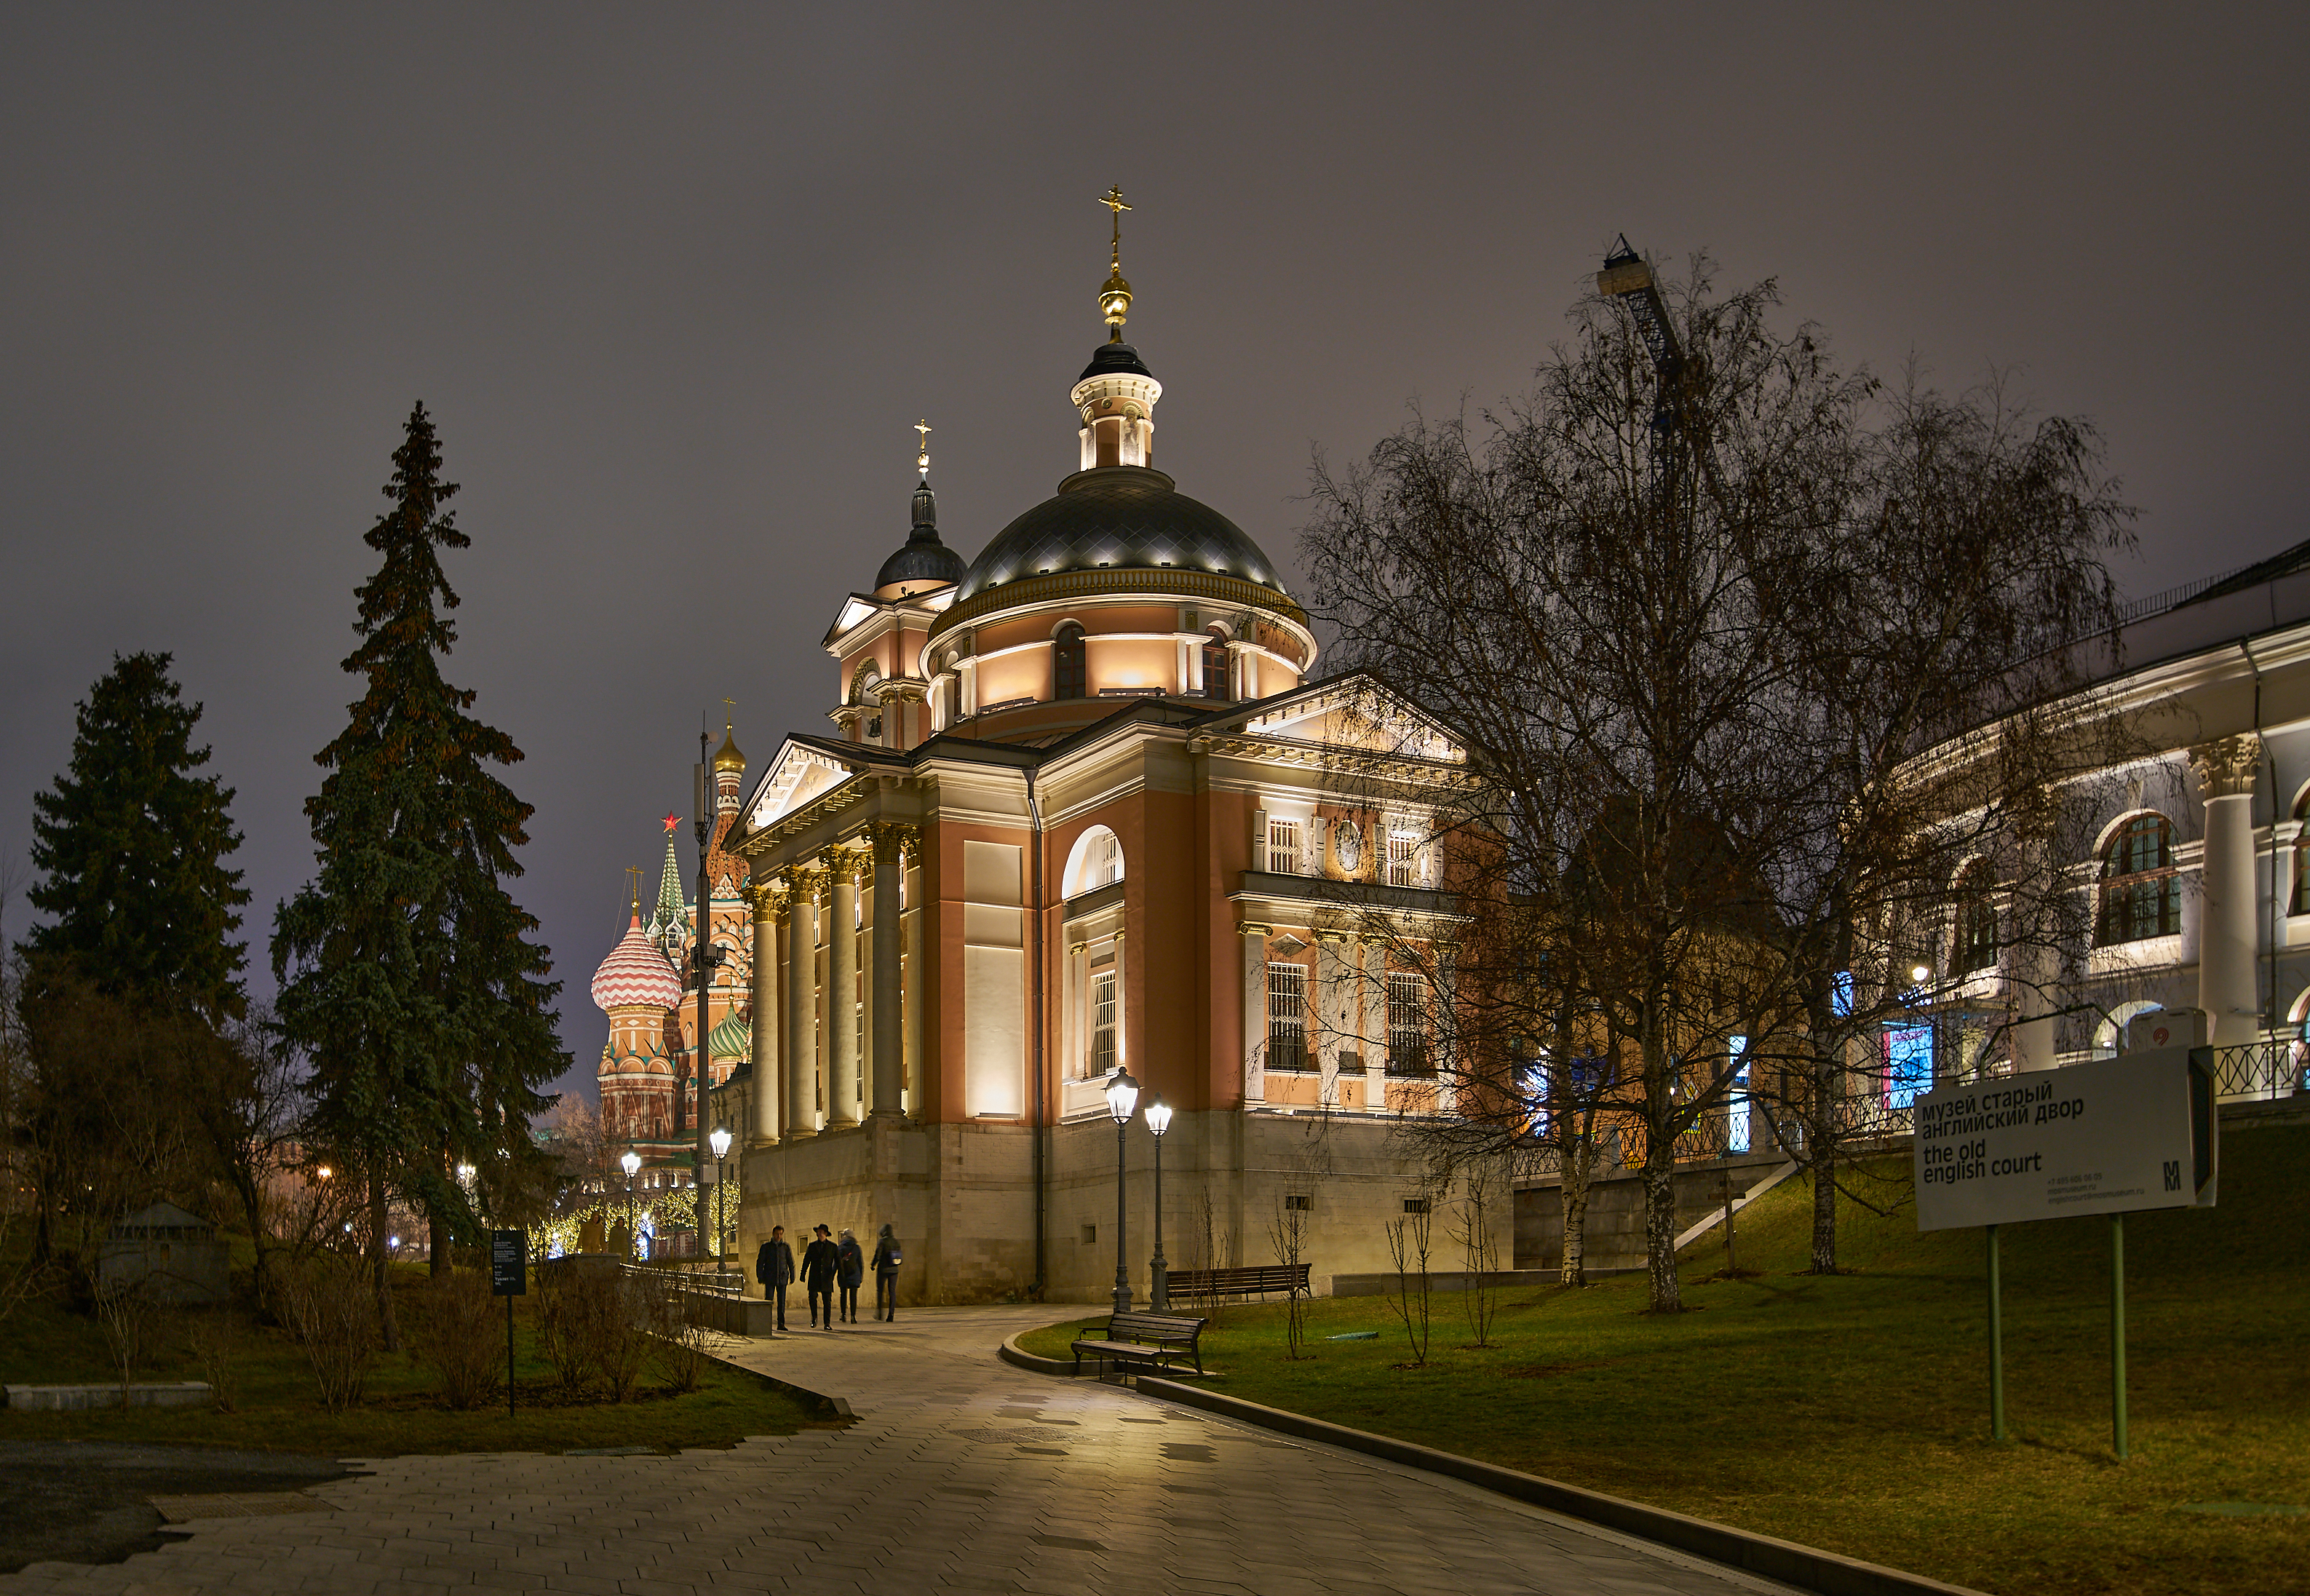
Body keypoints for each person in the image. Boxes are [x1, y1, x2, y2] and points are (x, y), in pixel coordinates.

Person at [754, 1225, 794, 1333]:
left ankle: (781, 1324)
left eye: (781, 1234)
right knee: (768, 1300)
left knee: (781, 1302)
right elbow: (760, 1262)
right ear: (773, 1234)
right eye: (777, 1234)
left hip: (782, 1277)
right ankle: (766, 1323)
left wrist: (792, 1275)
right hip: (770, 1278)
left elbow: (790, 1262)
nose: (779, 1236)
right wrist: (760, 1276)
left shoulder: (785, 1247)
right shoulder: (766, 1247)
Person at [800, 1223, 841, 1329]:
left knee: (827, 1301)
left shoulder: (833, 1247)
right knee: (812, 1297)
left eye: (822, 1232)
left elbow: (838, 1262)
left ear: (826, 1234)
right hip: (815, 1275)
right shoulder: (812, 1246)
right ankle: (814, 1317)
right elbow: (806, 1260)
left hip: (827, 1277)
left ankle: (827, 1323)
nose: (820, 1234)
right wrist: (803, 1274)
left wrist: (839, 1274)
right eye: (818, 1232)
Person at [871, 1223, 902, 1322]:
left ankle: (880, 1313)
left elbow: (878, 1255)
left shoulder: (882, 1241)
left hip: (883, 1270)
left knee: (880, 1291)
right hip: (894, 1270)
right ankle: (891, 1314)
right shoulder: (896, 1242)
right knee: (892, 1292)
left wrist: (873, 1264)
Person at [836, 1228, 865, 1325]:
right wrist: (860, 1276)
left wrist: (831, 1275)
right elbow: (860, 1263)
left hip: (843, 1274)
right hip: (854, 1274)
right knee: (853, 1295)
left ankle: (843, 1315)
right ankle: (853, 1316)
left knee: (843, 1294)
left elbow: (836, 1263)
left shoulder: (840, 1248)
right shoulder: (856, 1248)